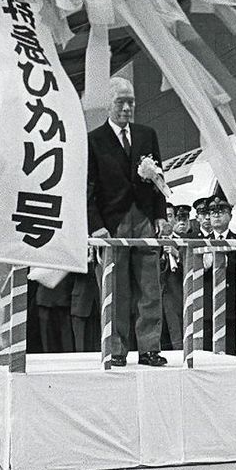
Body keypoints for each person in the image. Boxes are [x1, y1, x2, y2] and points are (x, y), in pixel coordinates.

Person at [86, 77, 168, 367]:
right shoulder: (93, 140)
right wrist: (95, 225)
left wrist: (161, 214)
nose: (127, 107)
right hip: (112, 222)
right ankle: (116, 349)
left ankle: (149, 348)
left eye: (131, 101)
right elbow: (88, 189)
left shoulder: (148, 135)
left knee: (150, 287)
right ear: (108, 104)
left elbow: (159, 178)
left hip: (144, 217)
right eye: (121, 101)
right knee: (115, 290)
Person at [201, 197, 236, 355]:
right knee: (206, 356)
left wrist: (219, 260)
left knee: (233, 355)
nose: (216, 215)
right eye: (212, 212)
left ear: (230, 215)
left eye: (221, 211)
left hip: (233, 307)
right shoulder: (199, 242)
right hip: (207, 310)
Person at [159, 205, 193, 351]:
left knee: (177, 336)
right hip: (157, 295)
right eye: (166, 216)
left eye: (171, 216)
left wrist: (176, 253)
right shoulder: (155, 240)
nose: (169, 220)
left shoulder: (186, 240)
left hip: (175, 295)